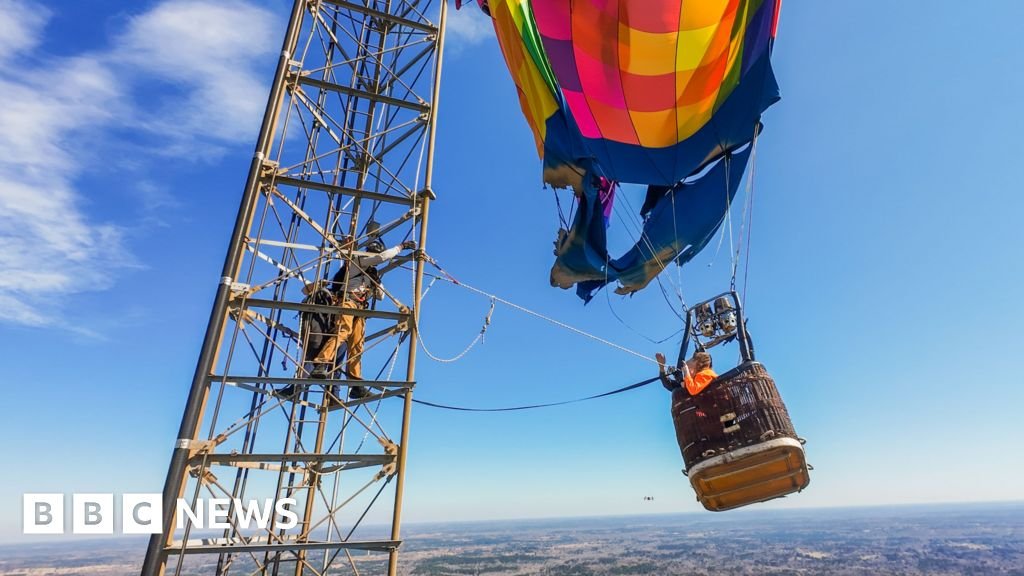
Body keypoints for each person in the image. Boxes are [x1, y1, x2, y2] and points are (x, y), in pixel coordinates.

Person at [310, 236, 417, 399]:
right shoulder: (357, 261)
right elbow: (382, 258)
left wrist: (376, 281)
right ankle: (321, 363)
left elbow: (380, 296)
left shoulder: (370, 271)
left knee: (357, 345)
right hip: (348, 302)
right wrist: (401, 246)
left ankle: (355, 383)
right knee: (343, 331)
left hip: (360, 309)